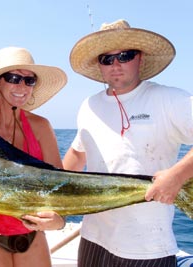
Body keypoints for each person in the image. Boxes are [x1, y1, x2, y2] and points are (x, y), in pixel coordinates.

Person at [63, 19, 193, 266]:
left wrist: (177, 175)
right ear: (99, 65)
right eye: (107, 59)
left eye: (125, 56)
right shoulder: (89, 105)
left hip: (147, 247)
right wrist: (49, 200)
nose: (116, 65)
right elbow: (78, 155)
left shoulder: (169, 99)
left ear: (140, 58)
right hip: (93, 237)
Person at [0, 46, 67, 267]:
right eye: (14, 78)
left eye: (29, 81)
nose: (22, 86)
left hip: (32, 232)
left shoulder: (41, 127)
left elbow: (60, 186)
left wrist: (59, 221)